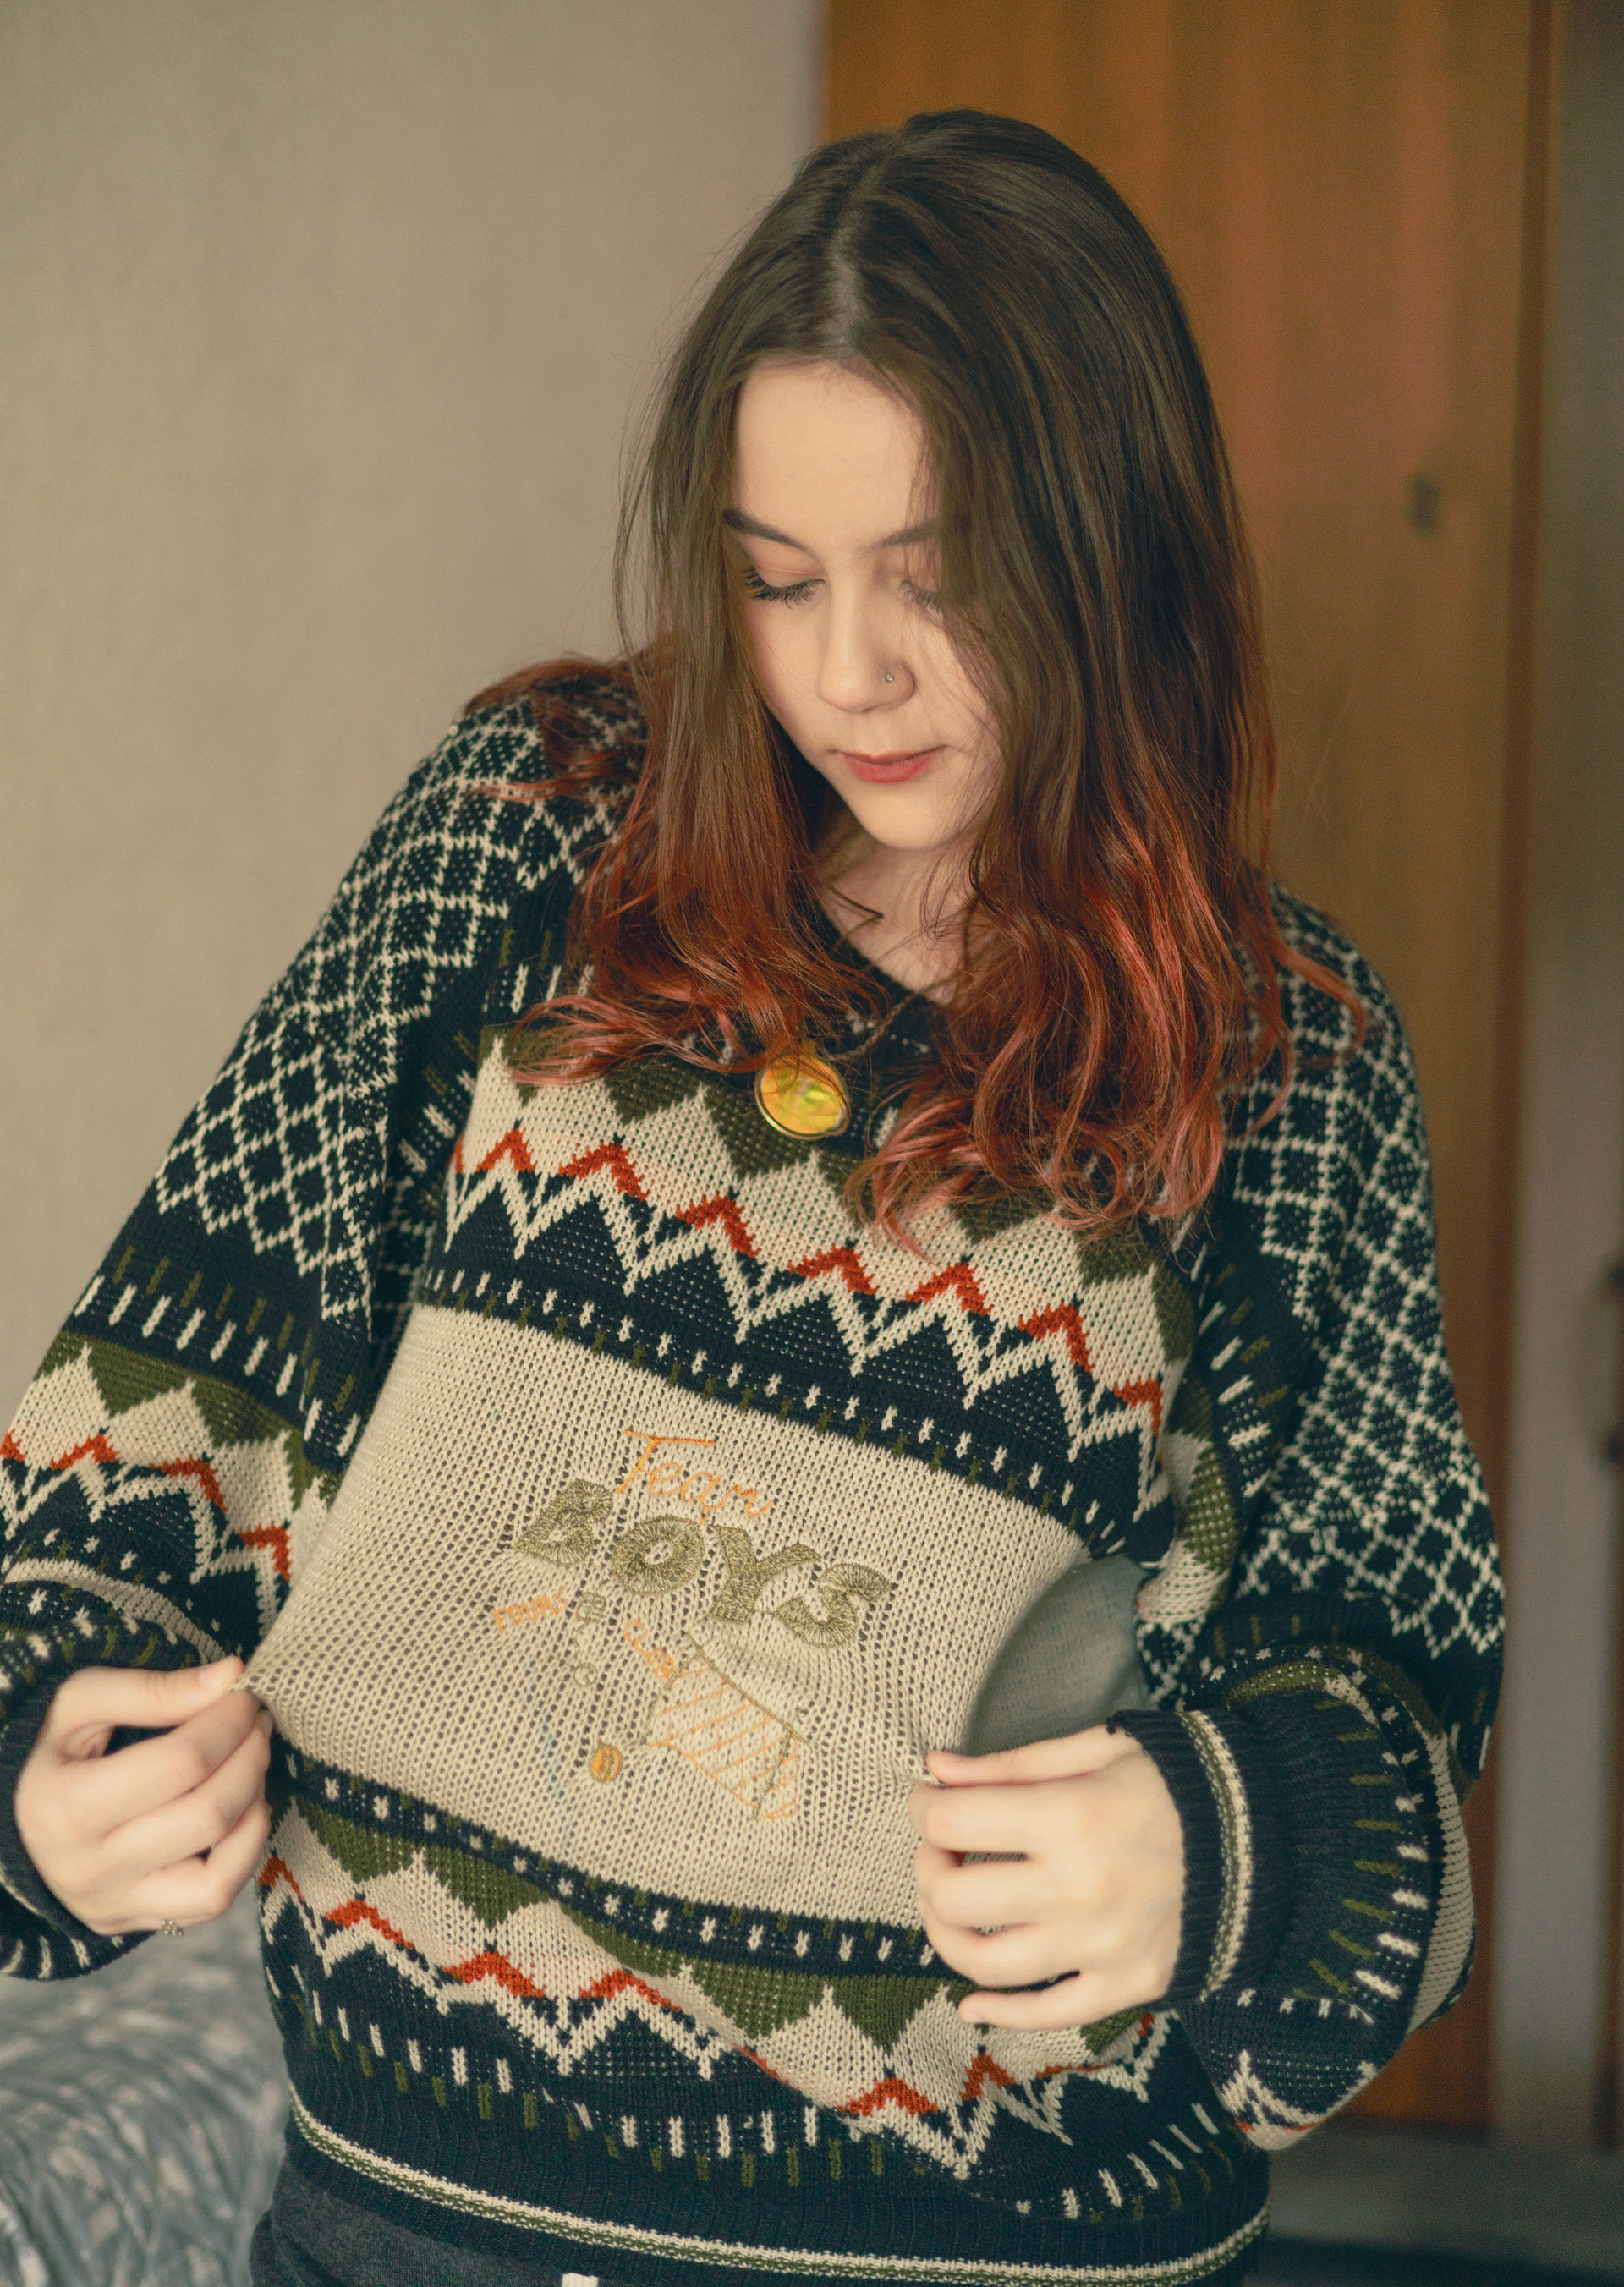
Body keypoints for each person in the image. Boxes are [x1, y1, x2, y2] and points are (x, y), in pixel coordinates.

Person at [0, 111, 1501, 2287]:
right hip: (409, 2230)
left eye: (937, 576)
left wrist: (1220, 1849)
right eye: (780, 579)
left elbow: (1393, 1722)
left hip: (994, 2240)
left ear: (1116, 553)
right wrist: (46, 1771)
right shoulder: (529, 846)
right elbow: (153, 1422)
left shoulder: (1293, 1064)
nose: (847, 673)